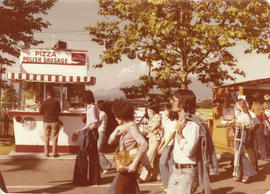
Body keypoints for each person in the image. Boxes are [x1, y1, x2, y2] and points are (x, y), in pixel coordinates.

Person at [165, 89, 218, 194]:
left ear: (183, 103)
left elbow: (189, 151)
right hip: (176, 170)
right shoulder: (179, 121)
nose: (171, 102)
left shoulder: (192, 125)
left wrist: (179, 132)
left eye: (174, 100)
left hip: (186, 173)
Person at [107, 98, 148, 194]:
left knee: (116, 191)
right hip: (125, 165)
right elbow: (109, 142)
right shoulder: (123, 127)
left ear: (122, 115)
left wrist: (134, 163)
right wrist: (116, 131)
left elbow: (144, 144)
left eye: (117, 116)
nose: (115, 118)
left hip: (128, 165)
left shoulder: (131, 127)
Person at [75, 90, 100, 185]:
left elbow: (93, 124)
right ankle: (94, 179)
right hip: (91, 132)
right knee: (92, 156)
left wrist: (86, 131)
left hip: (91, 133)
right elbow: (91, 123)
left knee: (88, 155)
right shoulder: (92, 107)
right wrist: (81, 130)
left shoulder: (92, 108)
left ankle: (90, 179)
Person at [233, 98, 258, 183]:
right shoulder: (240, 114)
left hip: (243, 135)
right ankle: (239, 174)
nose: (236, 107)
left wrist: (239, 124)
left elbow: (249, 126)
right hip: (238, 135)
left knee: (241, 154)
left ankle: (248, 173)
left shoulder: (246, 114)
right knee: (238, 154)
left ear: (240, 105)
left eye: (237, 105)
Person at [138, 102, 161, 183]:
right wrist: (149, 127)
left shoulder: (158, 116)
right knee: (155, 159)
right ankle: (157, 175)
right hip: (151, 138)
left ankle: (143, 177)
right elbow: (150, 128)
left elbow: (153, 128)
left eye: (150, 109)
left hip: (156, 139)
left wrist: (149, 127)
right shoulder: (152, 117)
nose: (149, 110)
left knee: (149, 156)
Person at [157, 105, 177, 192]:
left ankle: (167, 184)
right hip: (166, 144)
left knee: (163, 163)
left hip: (171, 145)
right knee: (168, 164)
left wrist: (163, 146)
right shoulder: (167, 121)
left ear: (170, 111)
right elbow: (165, 135)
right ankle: (168, 184)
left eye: (166, 110)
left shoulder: (175, 122)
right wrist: (160, 145)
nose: (165, 111)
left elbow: (171, 136)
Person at [40, 90, 61, 157]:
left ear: (47, 95)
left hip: (46, 121)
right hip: (54, 121)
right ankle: (54, 153)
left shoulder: (43, 102)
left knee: (46, 137)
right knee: (54, 137)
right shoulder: (56, 102)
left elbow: (40, 112)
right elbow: (59, 112)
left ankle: (46, 153)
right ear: (53, 95)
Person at [96, 100, 112, 174]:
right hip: (101, 132)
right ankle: (103, 165)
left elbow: (97, 123)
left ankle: (106, 165)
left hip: (101, 132)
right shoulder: (103, 113)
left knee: (98, 150)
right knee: (99, 150)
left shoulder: (102, 114)